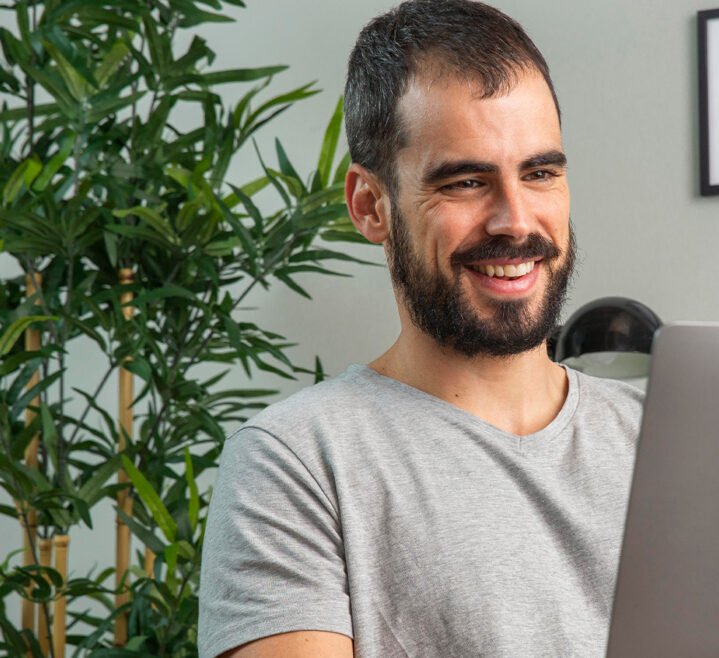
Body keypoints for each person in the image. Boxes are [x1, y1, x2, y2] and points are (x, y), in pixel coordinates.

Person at [196, 1, 644, 657]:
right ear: (370, 206)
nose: (516, 222)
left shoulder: (662, 438)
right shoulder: (297, 462)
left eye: (540, 172)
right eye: (466, 182)